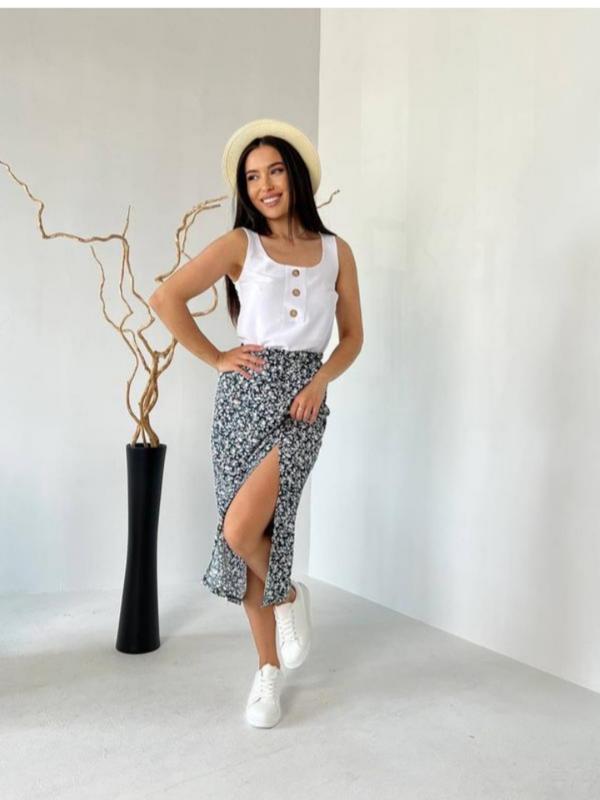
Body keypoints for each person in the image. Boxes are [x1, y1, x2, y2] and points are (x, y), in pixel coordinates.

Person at [149, 118, 363, 728]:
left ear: (294, 176)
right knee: (242, 537)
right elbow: (165, 297)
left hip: (302, 403)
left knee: (244, 529)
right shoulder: (240, 244)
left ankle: (287, 598)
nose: (264, 185)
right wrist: (217, 357)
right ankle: (269, 665)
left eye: (273, 171)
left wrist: (320, 381)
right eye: (251, 177)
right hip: (242, 401)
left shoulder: (336, 252)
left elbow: (352, 337)